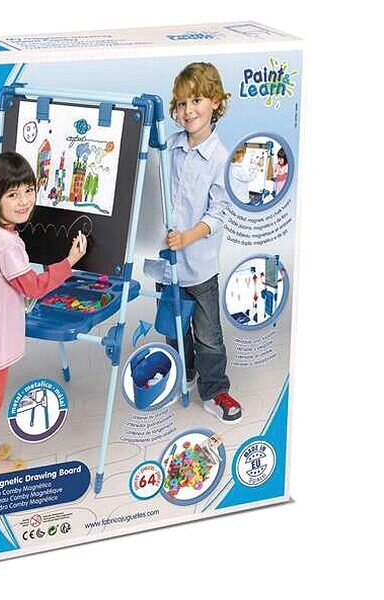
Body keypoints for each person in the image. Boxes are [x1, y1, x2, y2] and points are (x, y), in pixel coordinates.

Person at [0, 152, 87, 477]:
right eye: (13, 195)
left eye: (29, 190)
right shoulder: (7, 246)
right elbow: (34, 287)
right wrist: (69, 262)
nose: (25, 201)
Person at [160, 62, 242, 423]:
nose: (188, 110)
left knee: (208, 334)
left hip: (200, 265)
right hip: (168, 264)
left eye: (196, 100)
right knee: (175, 328)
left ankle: (214, 389)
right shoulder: (169, 147)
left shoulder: (221, 158)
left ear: (215, 102)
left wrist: (187, 238)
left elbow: (218, 213)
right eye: (181, 103)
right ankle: (184, 372)